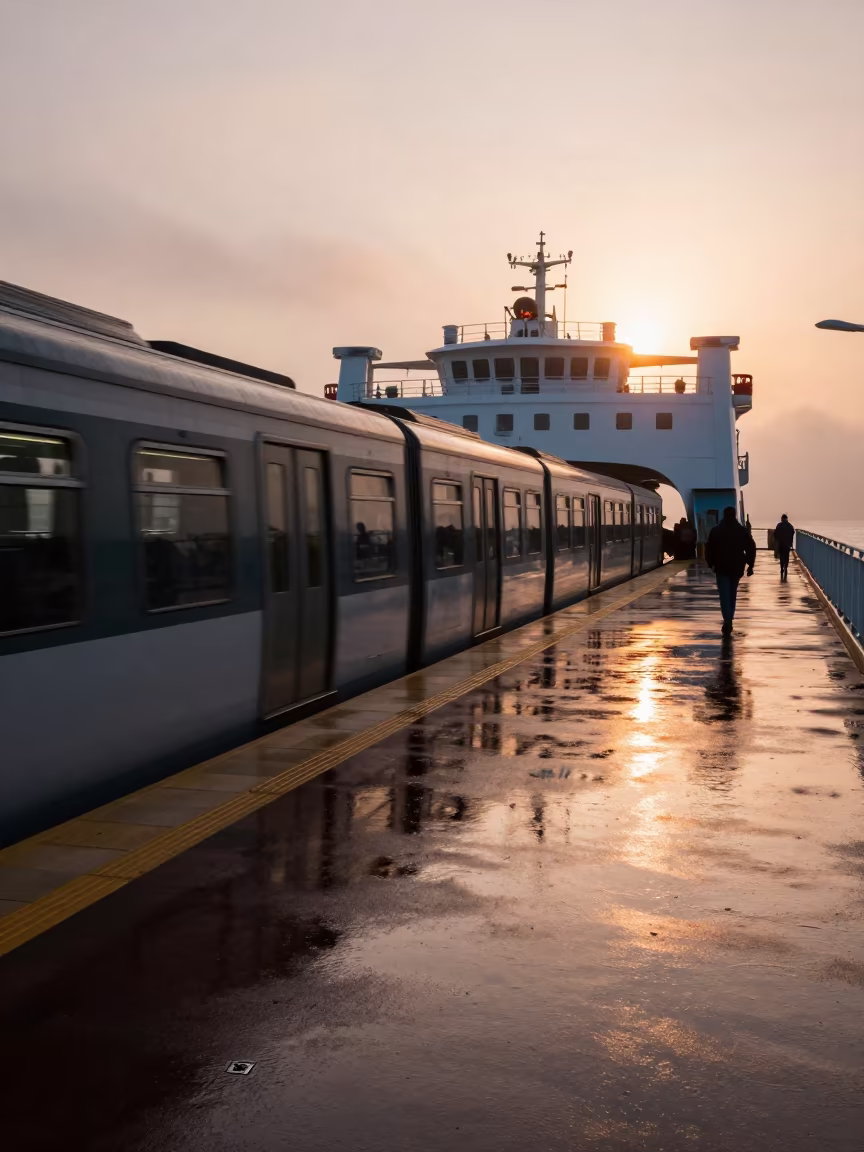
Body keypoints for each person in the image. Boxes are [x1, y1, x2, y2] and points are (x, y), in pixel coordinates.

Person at [705, 506, 756, 634]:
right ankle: (730, 619)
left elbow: (709, 548)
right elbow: (751, 547)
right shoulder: (742, 531)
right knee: (732, 594)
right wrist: (750, 564)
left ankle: (727, 619)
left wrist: (711, 563)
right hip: (737, 566)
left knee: (724, 595)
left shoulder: (716, 530)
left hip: (721, 566)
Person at [774, 514, 795, 580]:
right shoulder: (790, 526)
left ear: (782, 518)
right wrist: (790, 541)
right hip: (787, 544)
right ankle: (785, 567)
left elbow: (775, 534)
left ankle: (782, 568)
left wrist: (777, 540)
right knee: (786, 557)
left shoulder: (779, 525)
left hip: (781, 544)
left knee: (781, 557)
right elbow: (793, 532)